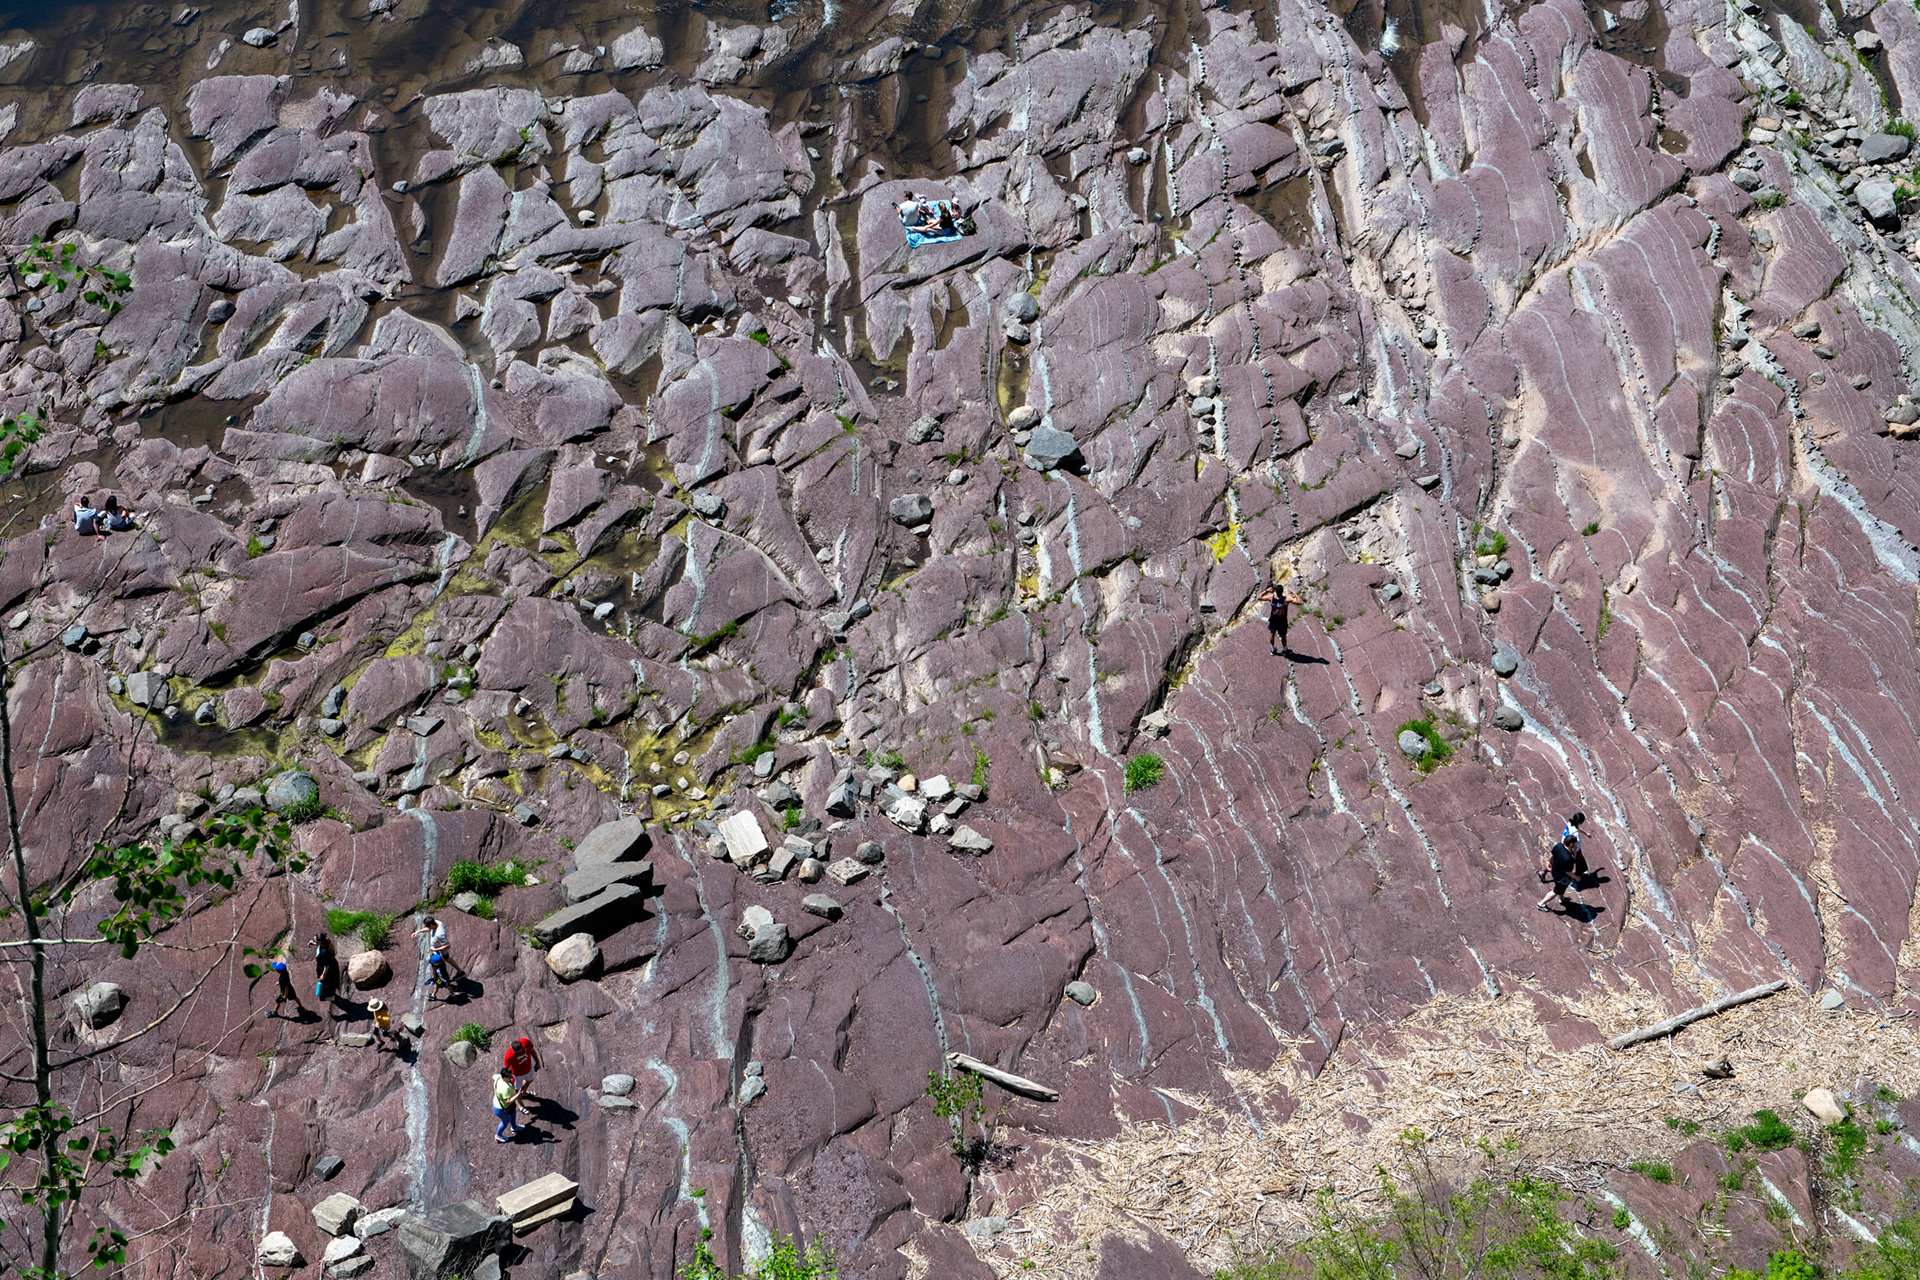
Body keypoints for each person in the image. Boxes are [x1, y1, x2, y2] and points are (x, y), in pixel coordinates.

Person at [1536, 830, 1590, 913]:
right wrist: (1576, 877)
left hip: (1555, 871)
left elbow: (1552, 854)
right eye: (1575, 843)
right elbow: (1568, 871)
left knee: (1561, 889)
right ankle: (1541, 904)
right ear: (1571, 844)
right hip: (1561, 877)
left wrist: (1550, 863)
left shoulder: (1559, 846)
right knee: (1556, 891)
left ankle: (1562, 900)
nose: (1576, 845)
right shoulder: (1568, 858)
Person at [1255, 578, 1305, 657]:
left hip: (1274, 619)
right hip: (1282, 620)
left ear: (1276, 592)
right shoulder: (1286, 599)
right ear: (1282, 592)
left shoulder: (1271, 597)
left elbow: (1258, 597)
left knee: (1272, 633)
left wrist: (1266, 591)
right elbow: (1300, 602)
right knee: (1283, 635)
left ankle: (1272, 649)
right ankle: (1285, 650)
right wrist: (1294, 593)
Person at [413, 914, 464, 978]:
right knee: (444, 960)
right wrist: (418, 932)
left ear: (431, 925)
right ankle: (459, 971)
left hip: (441, 951)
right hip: (436, 947)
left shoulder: (440, 934)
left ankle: (440, 978)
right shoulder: (437, 922)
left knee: (443, 960)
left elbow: (448, 945)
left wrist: (435, 949)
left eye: (428, 926)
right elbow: (429, 929)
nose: (427, 928)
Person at [492, 1067, 526, 1143]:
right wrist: (518, 1094)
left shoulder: (498, 1077)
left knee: (513, 1113)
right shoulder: (505, 1088)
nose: (511, 1077)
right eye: (510, 1077)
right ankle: (498, 1135)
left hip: (498, 1101)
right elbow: (508, 1101)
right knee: (505, 1121)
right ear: (504, 1078)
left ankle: (514, 1127)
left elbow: (493, 1076)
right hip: (501, 1108)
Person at [504, 1035, 542, 1099]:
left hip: (528, 1068)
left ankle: (524, 1092)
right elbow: (506, 1068)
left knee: (530, 1080)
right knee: (517, 1089)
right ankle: (518, 1100)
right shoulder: (508, 1056)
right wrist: (509, 1080)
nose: (518, 1054)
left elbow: (532, 1051)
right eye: (516, 1053)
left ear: (522, 1047)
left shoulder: (525, 1042)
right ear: (512, 1049)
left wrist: (537, 1062)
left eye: (520, 1052)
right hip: (517, 1074)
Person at [314, 933, 340, 1005]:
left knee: (328, 983)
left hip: (328, 971)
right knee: (327, 983)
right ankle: (330, 994)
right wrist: (312, 943)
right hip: (331, 965)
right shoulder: (326, 943)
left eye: (315, 941)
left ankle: (331, 995)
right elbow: (319, 945)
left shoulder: (324, 953)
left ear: (320, 942)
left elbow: (326, 966)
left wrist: (323, 975)